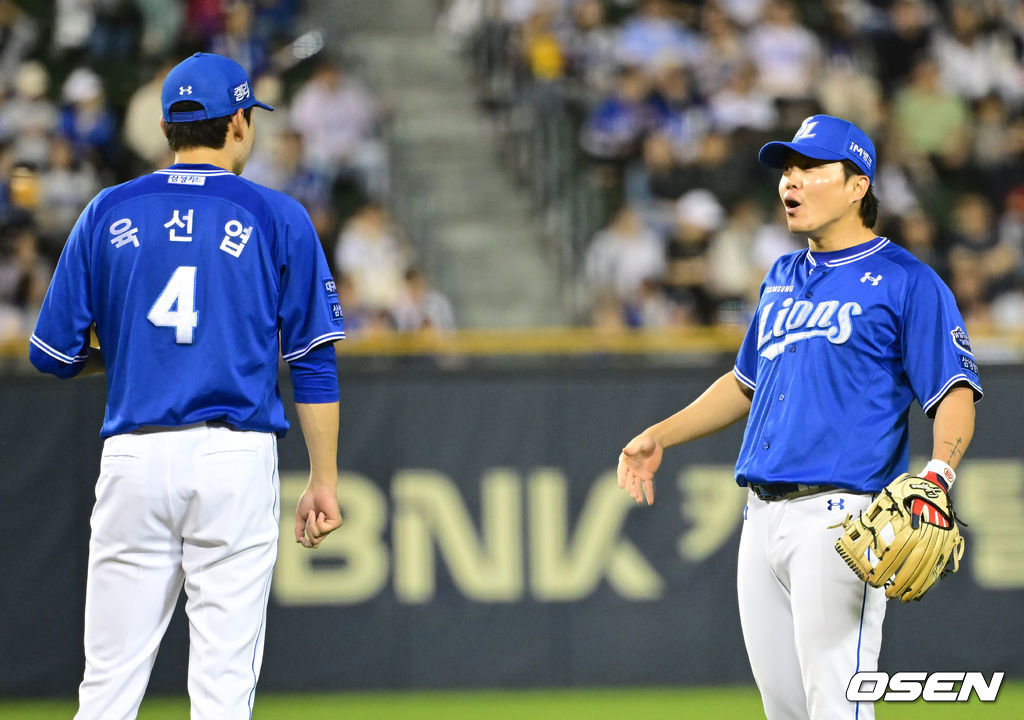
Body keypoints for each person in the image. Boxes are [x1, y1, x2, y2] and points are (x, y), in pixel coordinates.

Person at [616, 114, 981, 719]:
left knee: (837, 708)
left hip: (842, 519)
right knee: (785, 711)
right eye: (787, 168)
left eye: (810, 167)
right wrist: (660, 436)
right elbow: (744, 383)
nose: (791, 180)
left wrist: (938, 476)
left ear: (857, 185)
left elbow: (953, 392)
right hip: (760, 519)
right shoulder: (783, 277)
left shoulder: (907, 281)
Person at [28, 52, 345, 720]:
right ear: (236, 122)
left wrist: (126, 349)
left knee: (107, 687)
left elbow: (52, 353)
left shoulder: (108, 210)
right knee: (223, 692)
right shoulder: (277, 215)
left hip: (134, 457)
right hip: (233, 458)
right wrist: (323, 479)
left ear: (171, 125)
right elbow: (312, 360)